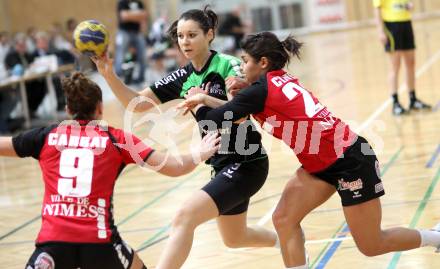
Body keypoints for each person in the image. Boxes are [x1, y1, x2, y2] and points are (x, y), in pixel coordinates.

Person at [178, 31, 440, 269]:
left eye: (246, 61)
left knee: (372, 245)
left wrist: (195, 97)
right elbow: (244, 108)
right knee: (283, 219)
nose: (242, 67)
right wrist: (208, 98)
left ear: (264, 63)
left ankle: (435, 237)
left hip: (350, 160)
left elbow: (211, 122)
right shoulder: (276, 80)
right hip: (320, 164)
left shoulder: (257, 92)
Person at [93, 6, 278, 269]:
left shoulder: (229, 65)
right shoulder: (183, 76)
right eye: (181, 36)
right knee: (235, 238)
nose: (185, 42)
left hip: (247, 162)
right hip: (221, 164)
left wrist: (202, 100)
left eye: (192, 35)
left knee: (184, 217)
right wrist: (108, 75)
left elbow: (240, 112)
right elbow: (137, 104)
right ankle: (288, 240)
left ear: (209, 34)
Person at [0, 72, 219, 269]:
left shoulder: (45, 136)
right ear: (100, 108)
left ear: (67, 109)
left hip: (53, 243)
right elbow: (175, 168)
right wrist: (201, 152)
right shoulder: (117, 139)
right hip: (99, 242)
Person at [373, 0, 431, 115]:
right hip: (391, 26)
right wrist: (380, 31)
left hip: (406, 23)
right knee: (395, 66)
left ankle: (413, 99)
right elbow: (377, 9)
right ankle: (395, 103)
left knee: (411, 63)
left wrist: (409, 5)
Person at [115, 0, 148, 84]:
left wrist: (131, 15)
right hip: (124, 32)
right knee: (121, 54)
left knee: (143, 55)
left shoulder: (139, 3)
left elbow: (144, 15)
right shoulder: (122, 2)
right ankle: (119, 77)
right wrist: (138, 15)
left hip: (137, 32)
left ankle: (141, 78)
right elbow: (124, 16)